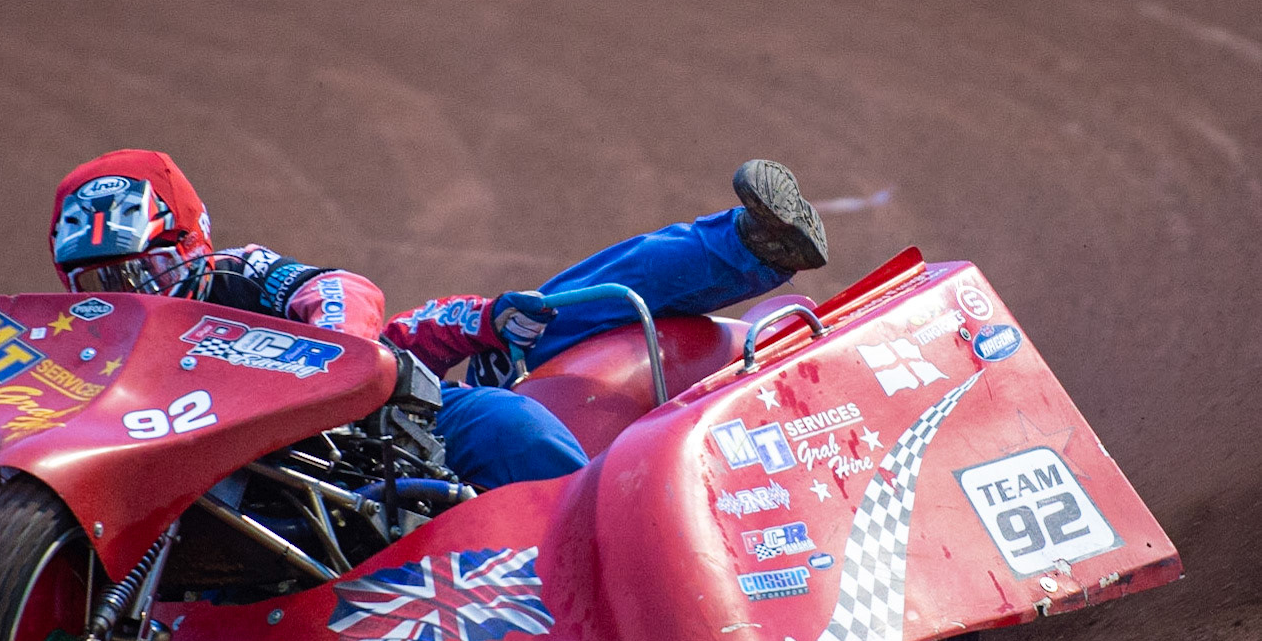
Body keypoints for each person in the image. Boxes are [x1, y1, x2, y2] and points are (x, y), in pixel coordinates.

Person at [49, 149, 826, 487]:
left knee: (522, 391)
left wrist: (470, 324)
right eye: (98, 280)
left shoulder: (241, 278)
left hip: (374, 427)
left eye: (137, 269)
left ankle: (750, 243)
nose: (124, 292)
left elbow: (347, 299)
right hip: (245, 481)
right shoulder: (85, 355)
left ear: (187, 244)